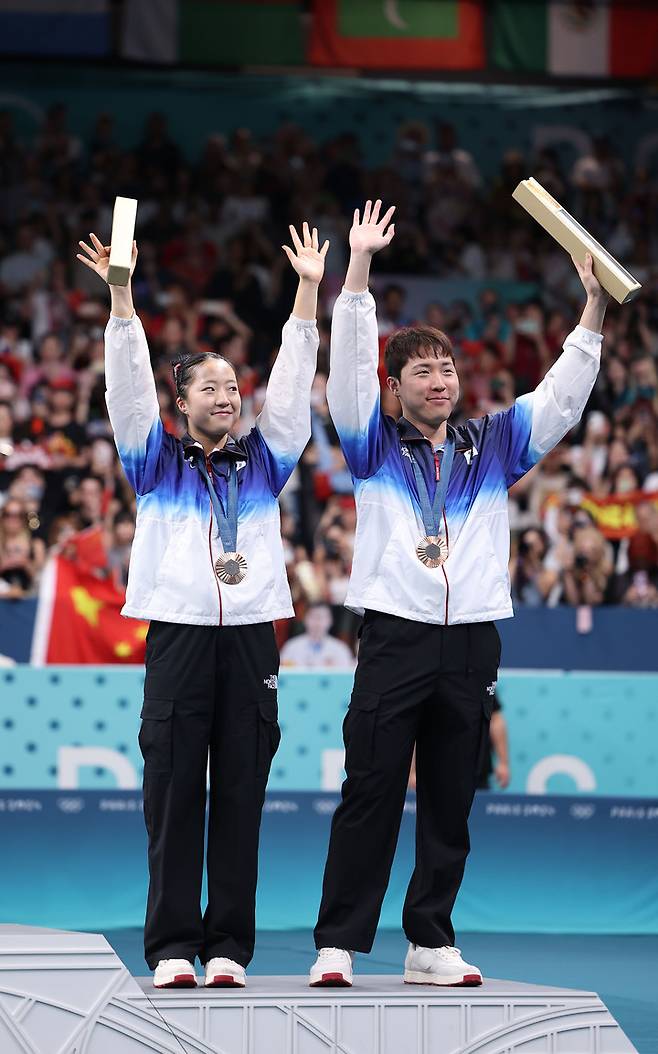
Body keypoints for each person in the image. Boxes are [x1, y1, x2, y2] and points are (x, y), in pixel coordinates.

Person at [309, 199, 609, 988]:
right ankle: (338, 942)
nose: (440, 381)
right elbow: (344, 374)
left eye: (446, 368)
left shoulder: (494, 445)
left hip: (474, 637)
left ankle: (430, 941)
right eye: (422, 372)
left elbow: (562, 399)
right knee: (370, 789)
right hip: (395, 634)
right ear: (395, 386)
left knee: (450, 797)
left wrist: (593, 308)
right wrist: (360, 272)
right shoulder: (372, 444)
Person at [77, 220, 328, 989]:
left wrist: (309, 293)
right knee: (174, 797)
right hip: (179, 637)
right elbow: (125, 391)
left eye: (231, 386)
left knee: (242, 799)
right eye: (209, 387)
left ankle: (227, 949)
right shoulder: (154, 461)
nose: (226, 395)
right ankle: (171, 949)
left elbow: (291, 386)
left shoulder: (267, 460)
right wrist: (123, 303)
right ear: (181, 402)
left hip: (253, 638)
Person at [280, 602, 355, 669]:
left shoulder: (340, 649)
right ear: (305, 619)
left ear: (330, 621)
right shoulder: (291, 647)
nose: (317, 622)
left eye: (322, 617)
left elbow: (347, 676)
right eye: (313, 617)